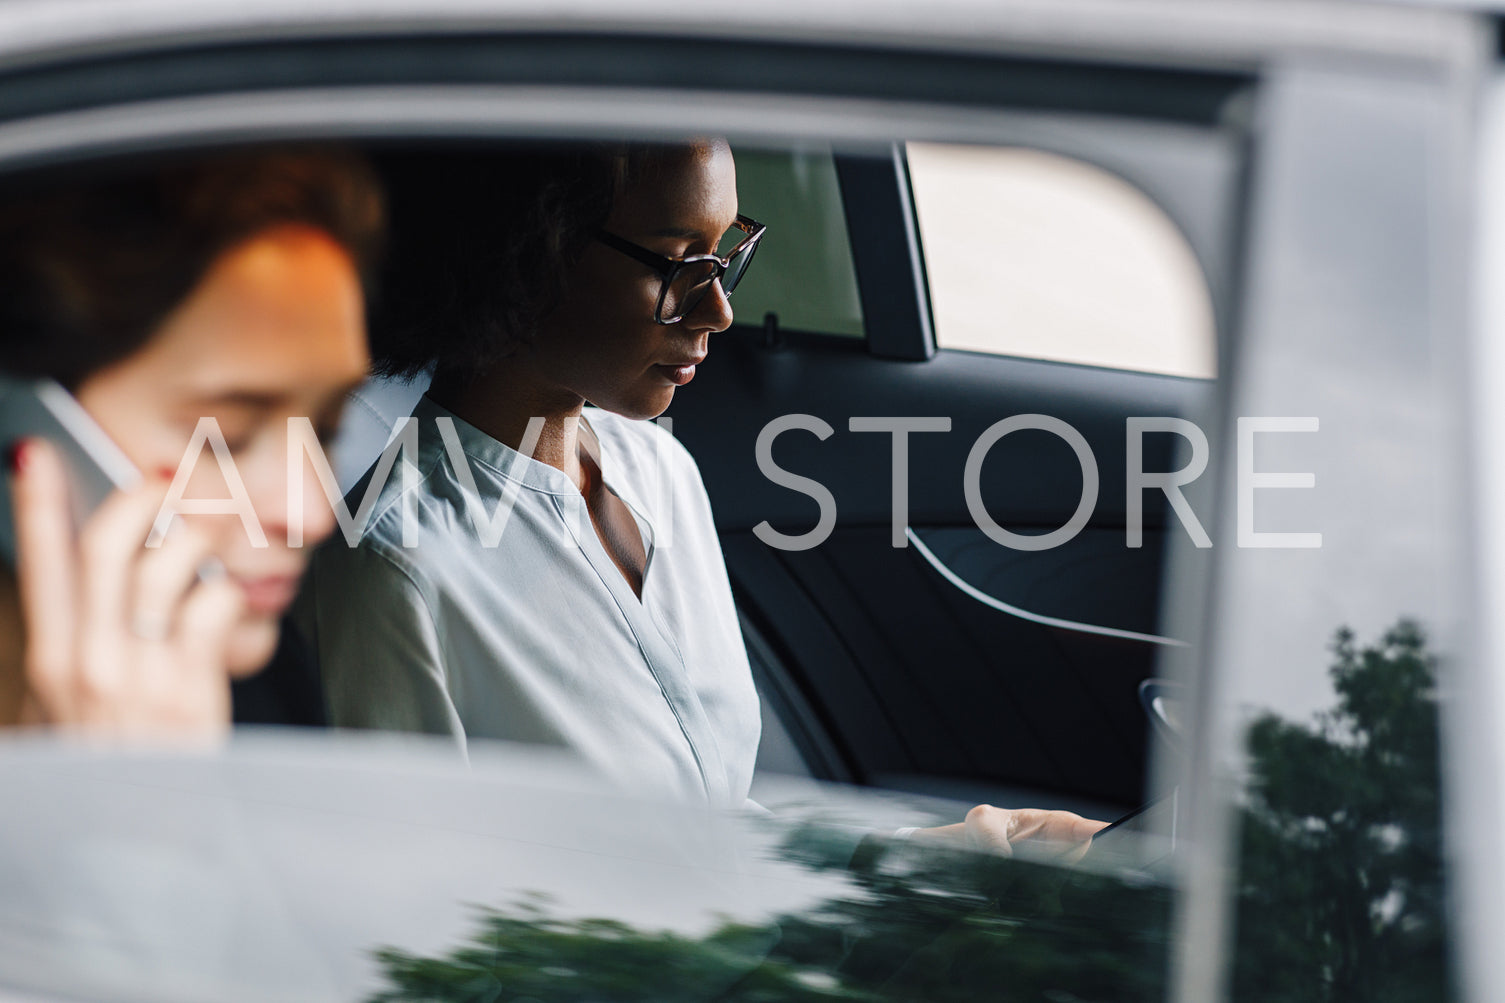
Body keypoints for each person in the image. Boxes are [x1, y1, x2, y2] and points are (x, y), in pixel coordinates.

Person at [297, 140, 1102, 855]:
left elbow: (705, 829)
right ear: (523, 255)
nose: (717, 309)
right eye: (677, 262)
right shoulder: (391, 569)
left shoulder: (661, 473)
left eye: (724, 256)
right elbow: (415, 935)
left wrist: (935, 858)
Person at [0, 148, 383, 737]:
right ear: (25, 419)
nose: (313, 515)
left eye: (328, 428)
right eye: (224, 440)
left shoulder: (270, 691)